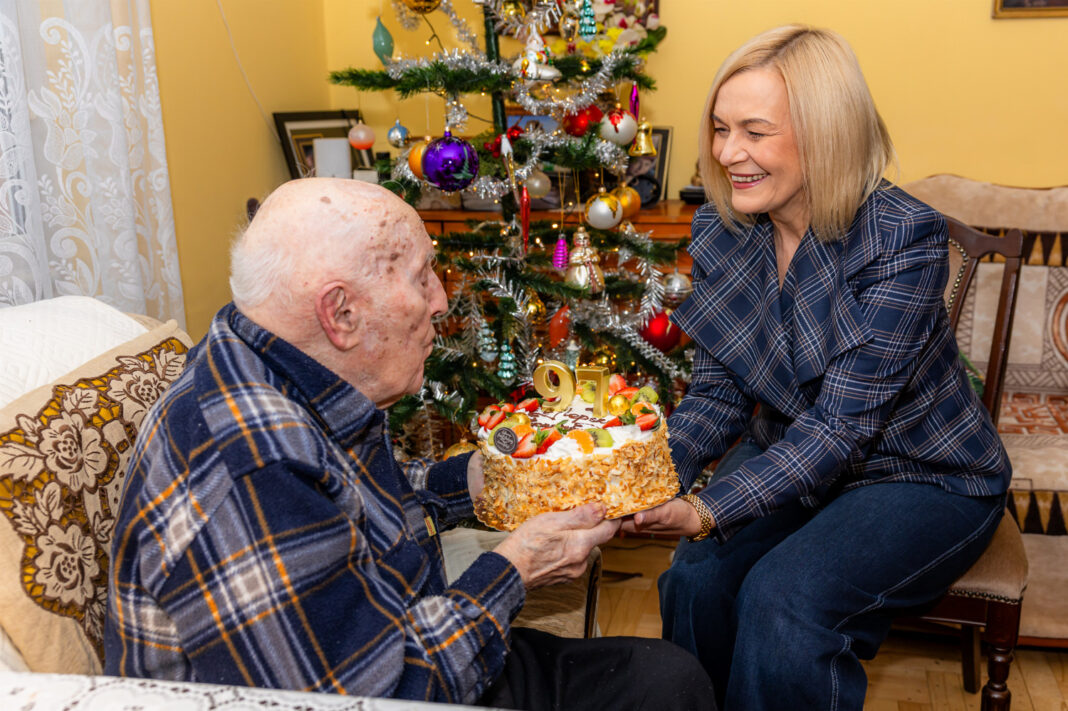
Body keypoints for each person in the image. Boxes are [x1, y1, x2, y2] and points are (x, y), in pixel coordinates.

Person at [103, 178, 715, 711]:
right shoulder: (251, 465)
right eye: (423, 278)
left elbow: (355, 504)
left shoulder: (278, 364)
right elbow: (378, 696)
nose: (441, 302)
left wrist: (480, 480)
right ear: (339, 313)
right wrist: (516, 569)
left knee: (666, 679)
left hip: (394, 638)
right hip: (394, 682)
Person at [620, 25, 1011, 711]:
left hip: (921, 473)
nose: (726, 152)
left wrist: (705, 507)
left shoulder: (902, 236)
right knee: (692, 582)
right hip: (793, 463)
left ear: (825, 132)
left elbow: (840, 428)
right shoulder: (722, 227)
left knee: (785, 599)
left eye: (754, 132)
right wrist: (648, 484)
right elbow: (716, 393)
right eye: (719, 128)